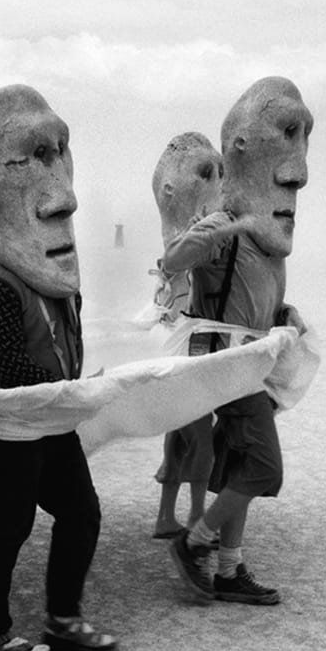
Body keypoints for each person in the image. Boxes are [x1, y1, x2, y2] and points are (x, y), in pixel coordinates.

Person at [0, 84, 117, 651]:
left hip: (52, 425)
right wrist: (82, 392)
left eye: (61, 154)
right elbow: (11, 370)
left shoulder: (57, 285)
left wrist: (81, 388)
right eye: (35, 157)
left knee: (82, 513)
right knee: (7, 528)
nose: (64, 198)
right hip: (10, 434)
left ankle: (63, 614)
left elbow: (59, 351)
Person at [166, 77, 313, 606]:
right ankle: (195, 540)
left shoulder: (266, 240)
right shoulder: (227, 224)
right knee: (263, 467)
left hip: (249, 366)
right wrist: (221, 230)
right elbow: (174, 260)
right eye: (288, 134)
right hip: (226, 368)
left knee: (239, 470)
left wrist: (284, 315)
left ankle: (229, 568)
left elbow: (257, 300)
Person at [146, 132, 224, 539]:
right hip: (192, 351)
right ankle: (195, 518)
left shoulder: (183, 243)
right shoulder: (192, 241)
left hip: (177, 347)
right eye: (208, 174)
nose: (218, 183)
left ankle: (165, 516)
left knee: (179, 434)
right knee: (199, 440)